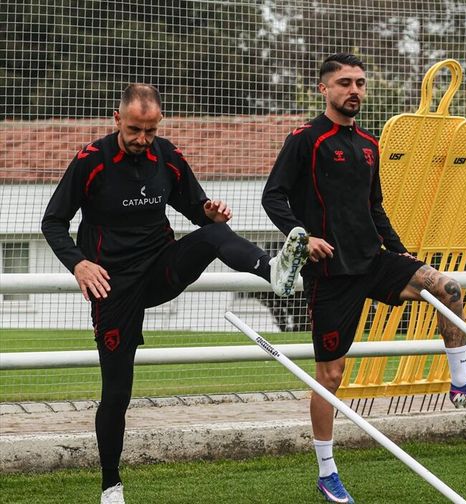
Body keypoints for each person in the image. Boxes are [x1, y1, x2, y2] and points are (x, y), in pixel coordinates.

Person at [262, 53, 466, 503]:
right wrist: (305, 237)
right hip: (332, 272)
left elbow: (375, 209)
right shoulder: (305, 139)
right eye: (344, 83)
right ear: (325, 90)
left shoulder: (369, 145)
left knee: (447, 287)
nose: (353, 90)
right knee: (330, 376)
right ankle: (326, 471)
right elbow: (272, 196)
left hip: (374, 260)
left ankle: (461, 382)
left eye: (359, 82)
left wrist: (401, 252)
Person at [41, 84, 306, 504]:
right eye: (134, 130)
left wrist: (208, 213)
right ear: (116, 119)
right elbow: (52, 222)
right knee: (117, 391)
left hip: (161, 268)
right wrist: (79, 263)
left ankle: (270, 269)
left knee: (215, 234)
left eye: (150, 130)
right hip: (114, 286)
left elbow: (194, 205)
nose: (142, 139)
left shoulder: (167, 155)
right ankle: (111, 485)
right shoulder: (90, 161)